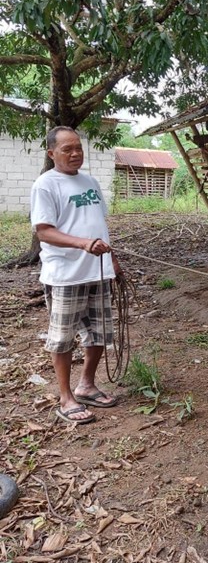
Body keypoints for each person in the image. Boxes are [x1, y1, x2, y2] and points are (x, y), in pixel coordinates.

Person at [30, 126, 120, 425]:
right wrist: (82, 244)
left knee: (99, 334)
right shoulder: (46, 184)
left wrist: (113, 260)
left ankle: (87, 385)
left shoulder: (90, 181)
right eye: (67, 149)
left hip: (98, 269)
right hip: (65, 274)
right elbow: (44, 231)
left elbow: (97, 224)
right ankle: (66, 396)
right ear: (51, 152)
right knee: (63, 339)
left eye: (78, 147)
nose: (75, 153)